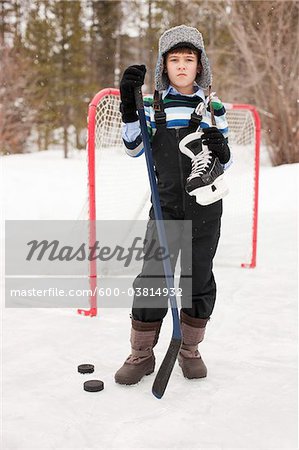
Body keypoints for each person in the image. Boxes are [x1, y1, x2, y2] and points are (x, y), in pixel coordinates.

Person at [115, 24, 232, 385]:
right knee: (153, 277)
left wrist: (222, 149)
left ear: (201, 66)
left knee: (198, 275)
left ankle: (190, 349)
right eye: (174, 60)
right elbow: (135, 148)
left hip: (205, 208)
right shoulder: (151, 106)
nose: (182, 66)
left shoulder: (213, 108)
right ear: (164, 66)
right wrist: (129, 108)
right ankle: (142, 353)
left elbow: (224, 163)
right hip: (165, 206)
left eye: (189, 59)